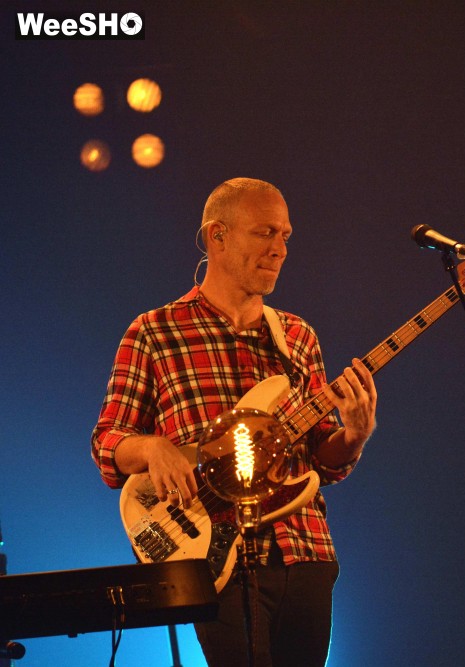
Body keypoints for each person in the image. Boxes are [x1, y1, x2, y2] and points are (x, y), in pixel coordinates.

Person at [92, 177, 377, 666]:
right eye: (265, 233)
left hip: (303, 549)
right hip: (214, 556)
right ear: (216, 235)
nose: (280, 249)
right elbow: (107, 443)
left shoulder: (297, 336)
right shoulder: (154, 331)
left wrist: (353, 436)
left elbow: (322, 460)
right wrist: (153, 448)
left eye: (285, 236)